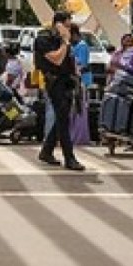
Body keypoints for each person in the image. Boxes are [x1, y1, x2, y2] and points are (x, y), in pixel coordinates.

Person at [36, 12, 83, 171]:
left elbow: (70, 60)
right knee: (63, 120)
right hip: (54, 82)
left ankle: (47, 151)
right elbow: (56, 59)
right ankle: (69, 158)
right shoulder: (44, 38)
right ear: (58, 24)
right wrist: (65, 42)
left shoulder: (64, 40)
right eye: (67, 25)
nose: (69, 29)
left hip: (66, 82)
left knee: (63, 118)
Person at [69, 24, 93, 147]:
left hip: (81, 81)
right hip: (75, 81)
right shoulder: (74, 46)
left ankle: (79, 136)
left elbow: (82, 64)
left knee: (80, 109)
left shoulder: (82, 46)